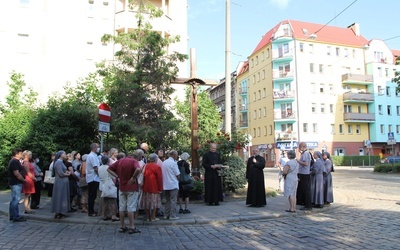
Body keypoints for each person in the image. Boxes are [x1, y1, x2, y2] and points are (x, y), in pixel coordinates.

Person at [107, 152, 141, 234]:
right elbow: (138, 169)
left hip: (122, 187)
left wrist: (117, 176)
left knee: (121, 207)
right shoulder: (134, 161)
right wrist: (133, 177)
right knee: (130, 207)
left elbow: (109, 169)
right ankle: (132, 227)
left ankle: (122, 226)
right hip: (131, 187)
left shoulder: (120, 161)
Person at [8, 148, 27, 222]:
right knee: (16, 200)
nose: (22, 154)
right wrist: (23, 180)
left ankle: (13, 215)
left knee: (13, 200)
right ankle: (15, 216)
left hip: (14, 182)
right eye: (20, 153)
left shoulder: (14, 161)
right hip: (16, 182)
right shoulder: (14, 161)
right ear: (16, 154)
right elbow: (16, 173)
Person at [142, 153, 163, 221]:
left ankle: (148, 217)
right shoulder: (157, 167)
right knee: (154, 203)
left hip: (146, 187)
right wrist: (160, 188)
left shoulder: (146, 166)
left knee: (147, 202)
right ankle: (153, 216)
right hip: (154, 187)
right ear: (155, 159)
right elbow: (159, 179)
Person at [51, 151, 71, 219]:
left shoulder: (60, 162)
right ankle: (58, 211)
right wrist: (67, 174)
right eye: (64, 154)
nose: (65, 155)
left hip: (63, 182)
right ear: (60, 155)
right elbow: (60, 173)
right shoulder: (58, 162)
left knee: (62, 196)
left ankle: (61, 211)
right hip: (60, 182)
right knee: (60, 196)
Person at [161, 150, 180, 220]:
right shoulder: (174, 163)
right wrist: (178, 180)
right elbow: (177, 174)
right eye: (176, 155)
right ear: (173, 155)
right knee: (173, 200)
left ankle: (166, 214)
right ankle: (172, 215)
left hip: (165, 184)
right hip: (173, 184)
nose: (177, 156)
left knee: (167, 200)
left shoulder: (164, 163)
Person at [98, 155, 118, 221]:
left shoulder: (99, 168)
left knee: (104, 202)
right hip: (109, 186)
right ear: (108, 161)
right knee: (112, 201)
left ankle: (105, 214)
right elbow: (113, 177)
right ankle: (113, 215)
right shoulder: (109, 168)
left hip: (102, 185)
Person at [296, 142, 312, 211]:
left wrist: (298, 161)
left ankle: (308, 205)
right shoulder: (305, 153)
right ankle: (305, 203)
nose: (299, 148)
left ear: (303, 146)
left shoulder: (306, 154)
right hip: (303, 173)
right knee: (303, 189)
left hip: (304, 174)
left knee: (306, 190)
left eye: (299, 146)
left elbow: (306, 163)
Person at [86, 143, 100, 217]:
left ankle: (91, 210)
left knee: (93, 195)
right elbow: (96, 168)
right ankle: (91, 211)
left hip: (93, 178)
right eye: (97, 147)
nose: (98, 148)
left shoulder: (93, 156)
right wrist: (100, 175)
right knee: (92, 195)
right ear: (94, 148)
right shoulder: (92, 156)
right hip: (93, 178)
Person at [21, 150, 36, 214]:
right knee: (27, 195)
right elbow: (28, 172)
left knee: (29, 195)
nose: (31, 156)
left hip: (30, 179)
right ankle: (27, 209)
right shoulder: (26, 162)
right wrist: (34, 178)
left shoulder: (27, 162)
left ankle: (28, 208)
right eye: (30, 155)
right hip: (28, 180)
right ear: (26, 155)